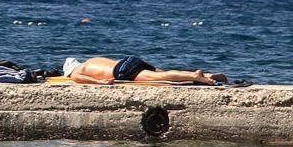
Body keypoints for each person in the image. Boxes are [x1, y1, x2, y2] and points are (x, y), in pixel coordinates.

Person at [62, 56, 227, 86]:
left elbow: (78, 79)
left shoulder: (77, 70)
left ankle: (195, 76)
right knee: (166, 74)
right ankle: (207, 76)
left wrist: (101, 82)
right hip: (128, 61)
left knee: (162, 78)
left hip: (121, 70)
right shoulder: (91, 60)